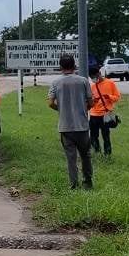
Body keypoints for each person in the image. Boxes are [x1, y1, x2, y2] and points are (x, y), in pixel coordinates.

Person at [47, 53, 93, 189]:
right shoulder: (83, 81)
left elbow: (50, 103)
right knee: (85, 156)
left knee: (71, 158)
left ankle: (73, 184)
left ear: (60, 67)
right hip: (82, 126)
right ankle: (88, 182)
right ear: (74, 66)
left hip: (65, 126)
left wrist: (61, 109)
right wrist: (84, 109)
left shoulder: (56, 82)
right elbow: (91, 101)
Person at [88, 66, 120, 157]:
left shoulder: (110, 83)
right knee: (93, 136)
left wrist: (109, 97)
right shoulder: (92, 86)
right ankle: (97, 152)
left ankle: (107, 154)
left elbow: (117, 97)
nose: (93, 79)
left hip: (105, 115)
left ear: (99, 74)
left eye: (94, 76)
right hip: (94, 114)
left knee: (106, 136)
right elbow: (90, 101)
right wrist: (94, 101)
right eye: (91, 77)